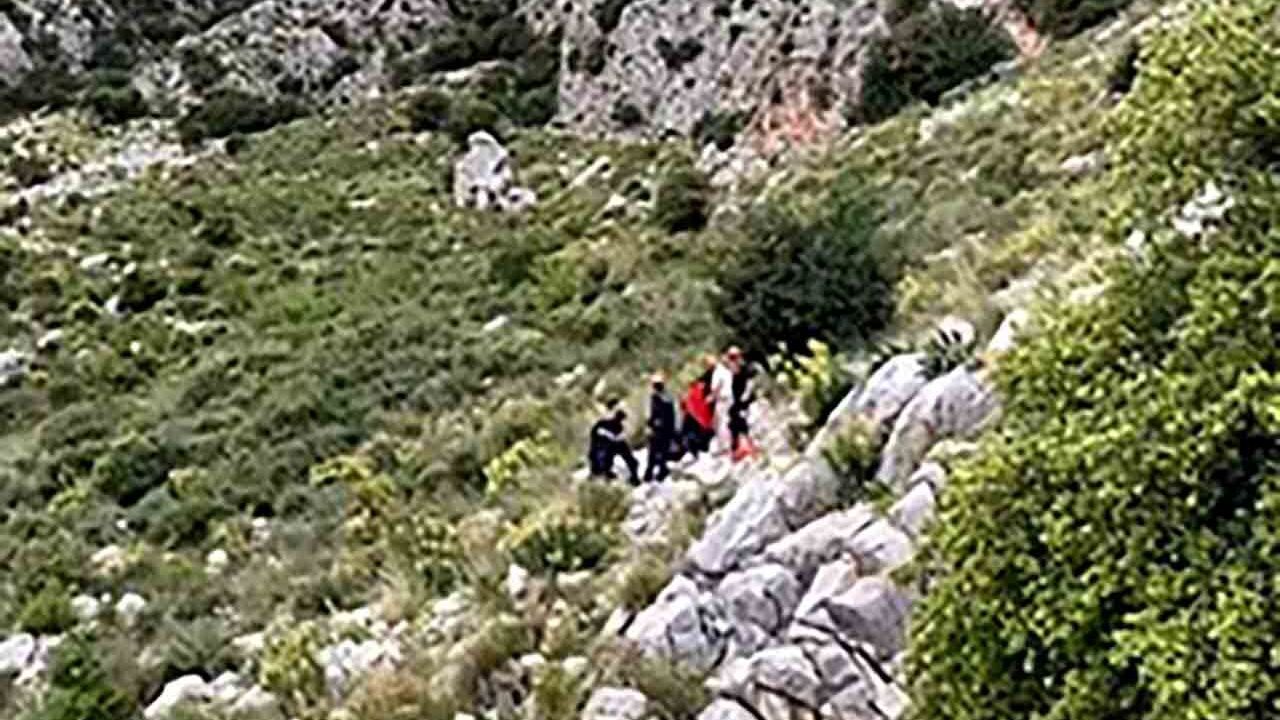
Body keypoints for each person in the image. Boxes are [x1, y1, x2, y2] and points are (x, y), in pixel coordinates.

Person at [588, 399, 639, 484]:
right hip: (604, 445)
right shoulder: (602, 421)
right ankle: (603, 477)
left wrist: (622, 434)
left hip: (617, 442)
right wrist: (607, 434)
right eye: (618, 407)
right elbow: (596, 436)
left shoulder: (619, 416)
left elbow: (627, 428)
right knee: (602, 463)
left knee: (632, 462)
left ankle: (634, 478)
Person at [679, 356, 716, 460]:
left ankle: (698, 450)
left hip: (702, 417)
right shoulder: (700, 386)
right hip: (701, 417)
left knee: (691, 433)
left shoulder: (698, 388)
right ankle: (698, 449)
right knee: (691, 432)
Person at [644, 373, 678, 482]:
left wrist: (650, 425)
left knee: (654, 452)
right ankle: (657, 472)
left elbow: (653, 415)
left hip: (659, 430)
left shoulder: (656, 398)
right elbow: (672, 415)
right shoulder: (667, 397)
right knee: (660, 452)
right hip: (664, 429)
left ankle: (652, 473)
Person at [710, 346, 742, 455]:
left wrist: (713, 395)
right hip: (727, 397)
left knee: (722, 423)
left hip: (726, 398)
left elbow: (721, 383)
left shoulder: (730, 367)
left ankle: (726, 446)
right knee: (720, 423)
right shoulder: (727, 367)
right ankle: (726, 445)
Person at [729, 361, 758, 461]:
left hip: (744, 407)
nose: (733, 370)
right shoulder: (734, 380)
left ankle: (748, 449)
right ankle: (747, 449)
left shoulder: (744, 377)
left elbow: (747, 392)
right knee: (739, 427)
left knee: (740, 427)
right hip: (739, 409)